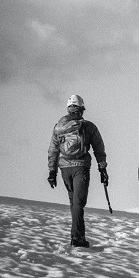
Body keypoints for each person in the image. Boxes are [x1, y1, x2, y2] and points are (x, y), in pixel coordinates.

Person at [47, 94, 108, 247]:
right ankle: (77, 238)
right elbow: (99, 149)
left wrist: (52, 172)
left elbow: (53, 150)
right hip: (80, 167)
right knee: (78, 203)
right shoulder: (89, 126)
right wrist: (103, 169)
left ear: (69, 109)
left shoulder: (59, 127)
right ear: (81, 108)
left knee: (74, 202)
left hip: (64, 168)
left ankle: (76, 235)